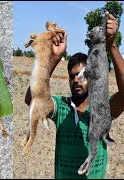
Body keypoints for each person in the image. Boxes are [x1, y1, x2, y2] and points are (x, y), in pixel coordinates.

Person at [24, 13, 124, 179]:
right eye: (72, 76)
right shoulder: (60, 106)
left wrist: (112, 45)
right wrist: (53, 58)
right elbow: (32, 99)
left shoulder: (102, 108)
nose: (77, 80)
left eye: (81, 75)